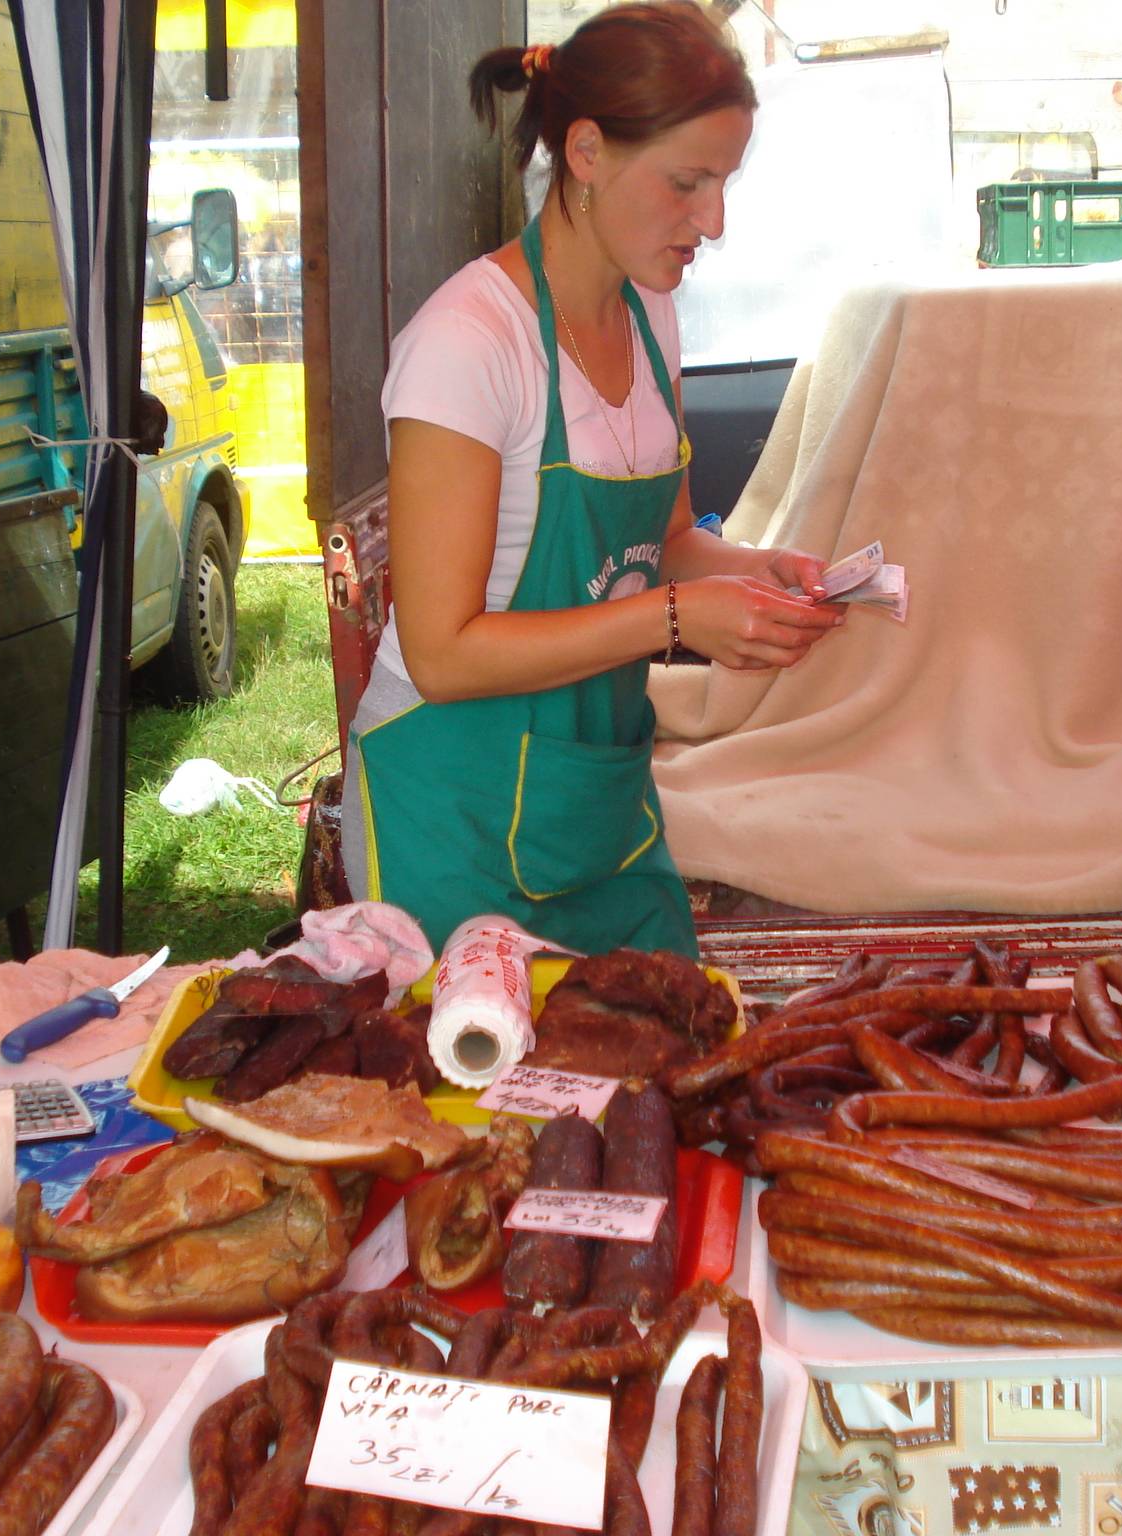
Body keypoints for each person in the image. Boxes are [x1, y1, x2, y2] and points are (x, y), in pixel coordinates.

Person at [340, 3, 843, 959]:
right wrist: (676, 618)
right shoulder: (468, 346)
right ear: (585, 153)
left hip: (592, 794)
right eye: (688, 183)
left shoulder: (652, 318)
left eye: (725, 184)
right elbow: (444, 655)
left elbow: (663, 539)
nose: (716, 222)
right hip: (455, 812)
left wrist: (753, 575)